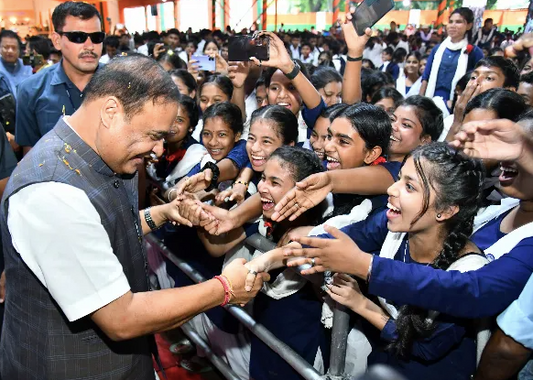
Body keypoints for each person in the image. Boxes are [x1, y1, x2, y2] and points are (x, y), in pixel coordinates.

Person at [0, 54, 266, 380]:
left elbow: (102, 230)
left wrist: (162, 214)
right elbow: (121, 318)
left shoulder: (108, 155)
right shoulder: (52, 191)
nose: (157, 150)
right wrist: (225, 288)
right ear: (111, 112)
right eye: (153, 135)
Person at [15, 1, 104, 155]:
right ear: (57, 41)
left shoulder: (121, 83)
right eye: (78, 37)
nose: (90, 46)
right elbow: (30, 157)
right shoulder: (31, 90)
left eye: (97, 37)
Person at [420, 8, 484, 106]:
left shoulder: (474, 52)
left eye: (458, 22)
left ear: (469, 26)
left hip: (457, 102)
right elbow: (426, 78)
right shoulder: (437, 49)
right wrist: (420, 101)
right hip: (431, 99)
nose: (453, 25)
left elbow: (477, 82)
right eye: (450, 22)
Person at [0, 30, 32, 99]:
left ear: (19, 50)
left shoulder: (27, 66)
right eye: (6, 47)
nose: (10, 51)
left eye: (14, 48)